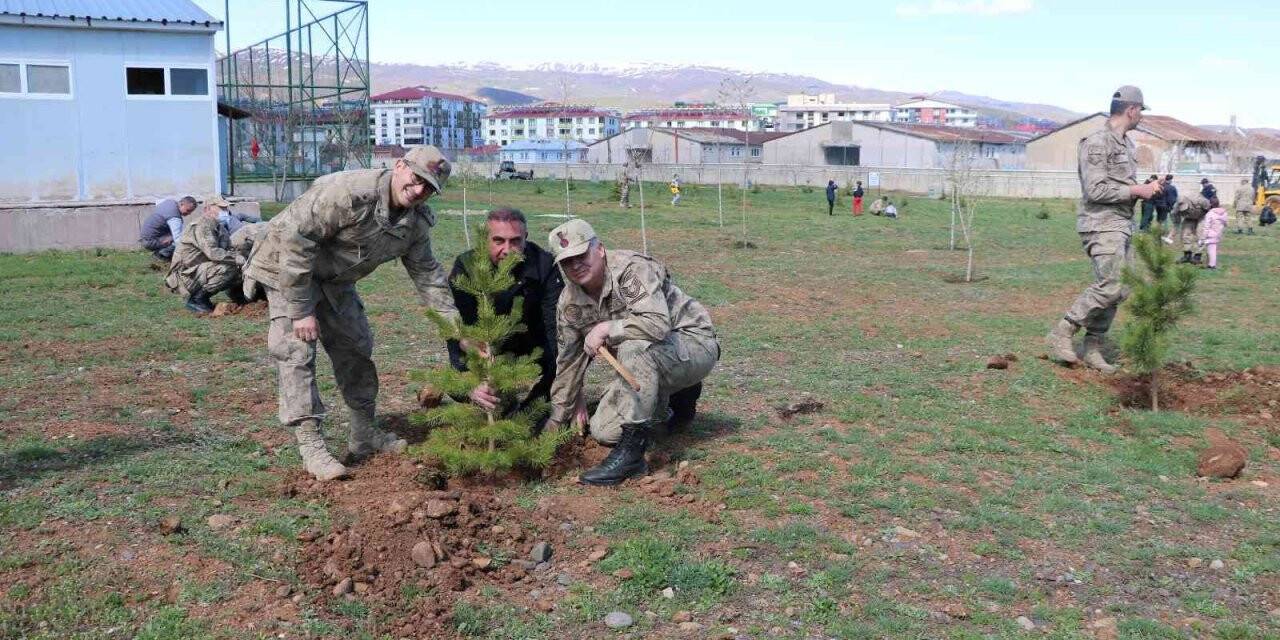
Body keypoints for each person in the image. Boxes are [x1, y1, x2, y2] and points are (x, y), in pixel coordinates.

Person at [241, 145, 459, 481]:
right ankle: (311, 445)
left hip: (335, 277)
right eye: (416, 179)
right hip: (283, 266)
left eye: (429, 188)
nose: (418, 191)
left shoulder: (414, 222)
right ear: (400, 166)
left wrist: (457, 333)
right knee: (296, 351)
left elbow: (428, 276)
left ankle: (363, 434)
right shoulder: (347, 194)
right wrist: (301, 311)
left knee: (356, 345)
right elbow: (297, 242)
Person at [545, 219, 719, 486]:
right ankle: (667, 402)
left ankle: (632, 457)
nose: (576, 265)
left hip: (693, 344)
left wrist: (607, 327)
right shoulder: (569, 303)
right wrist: (555, 423)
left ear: (599, 249)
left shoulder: (629, 270)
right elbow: (568, 363)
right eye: (567, 261)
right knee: (603, 431)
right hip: (649, 361)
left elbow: (656, 325)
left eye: (581, 255)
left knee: (633, 346)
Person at [1046, 85, 1162, 373]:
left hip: (1121, 224)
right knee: (1111, 285)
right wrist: (1136, 190)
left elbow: (1119, 186)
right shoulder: (1097, 142)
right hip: (1100, 224)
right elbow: (1095, 189)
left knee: (1121, 288)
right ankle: (1063, 331)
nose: (1141, 117)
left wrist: (1145, 189)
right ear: (1131, 110)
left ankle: (1093, 347)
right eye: (1141, 111)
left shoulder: (1126, 144)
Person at [447, 208, 562, 414]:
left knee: (564, 357)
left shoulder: (544, 265)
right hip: (488, 349)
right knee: (459, 387)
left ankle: (535, 405)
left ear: (526, 238)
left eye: (515, 241)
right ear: (485, 239)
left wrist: (562, 379)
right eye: (498, 241)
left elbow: (555, 325)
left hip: (532, 344)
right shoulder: (467, 267)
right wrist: (470, 379)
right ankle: (494, 399)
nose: (507, 250)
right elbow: (458, 327)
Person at [164, 195, 248, 314]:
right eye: (221, 208)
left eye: (225, 208)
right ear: (207, 209)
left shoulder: (219, 227)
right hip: (185, 276)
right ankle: (197, 299)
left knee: (239, 267)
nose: (225, 212)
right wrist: (238, 258)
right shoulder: (202, 225)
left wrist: (242, 258)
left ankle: (238, 296)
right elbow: (213, 253)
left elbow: (229, 249)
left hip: (199, 270)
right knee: (229, 267)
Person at [139, 196, 197, 261]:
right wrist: (189, 252)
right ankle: (161, 254)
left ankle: (162, 251)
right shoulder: (174, 218)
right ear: (181, 204)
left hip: (146, 237)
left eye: (191, 212)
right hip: (150, 242)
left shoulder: (169, 202)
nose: (189, 213)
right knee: (183, 238)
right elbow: (178, 240)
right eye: (188, 210)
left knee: (178, 234)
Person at [1174, 193, 1212, 264]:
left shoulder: (1200, 200)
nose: (1184, 209)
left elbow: (1209, 209)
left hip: (1202, 216)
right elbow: (1176, 220)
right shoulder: (1177, 207)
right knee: (1185, 234)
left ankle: (1197, 256)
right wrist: (1175, 229)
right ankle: (1187, 255)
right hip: (1189, 217)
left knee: (1200, 234)